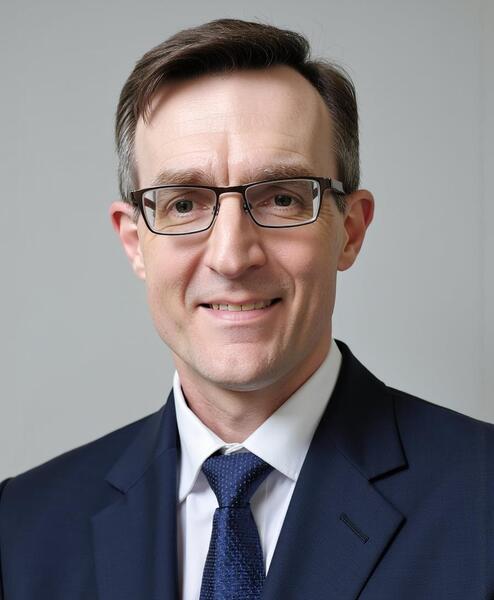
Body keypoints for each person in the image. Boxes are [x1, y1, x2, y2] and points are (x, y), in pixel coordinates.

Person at [0, 18, 492, 600]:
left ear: (350, 231)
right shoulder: (20, 527)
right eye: (183, 204)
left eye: (282, 198)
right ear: (135, 242)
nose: (232, 257)